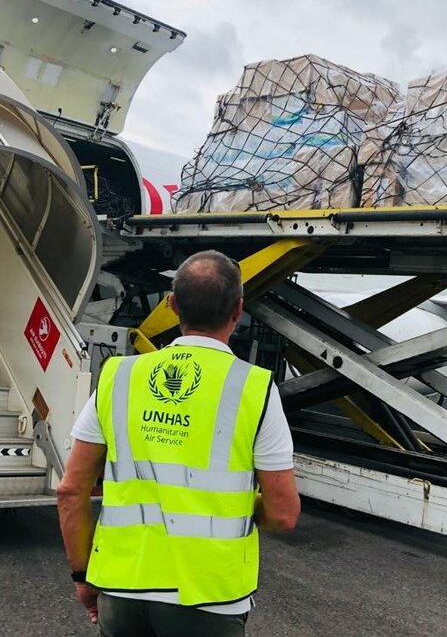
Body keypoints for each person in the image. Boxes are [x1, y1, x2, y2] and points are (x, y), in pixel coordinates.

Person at [57, 250, 300, 637]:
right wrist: (240, 506)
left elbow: (71, 490)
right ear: (238, 309)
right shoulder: (254, 389)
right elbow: (284, 513)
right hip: (210, 596)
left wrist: (83, 576)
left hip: (122, 587)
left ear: (171, 306)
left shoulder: (119, 377)